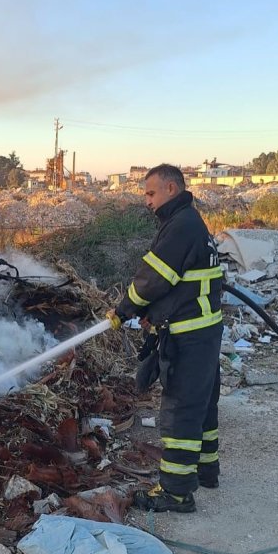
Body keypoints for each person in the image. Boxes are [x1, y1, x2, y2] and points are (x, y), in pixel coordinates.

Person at [108, 164, 223, 513]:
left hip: (189, 335)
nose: (146, 201)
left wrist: (122, 310)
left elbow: (152, 278)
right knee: (202, 406)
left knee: (180, 410)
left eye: (150, 193)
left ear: (171, 189)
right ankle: (206, 470)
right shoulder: (188, 222)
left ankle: (175, 491)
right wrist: (153, 313)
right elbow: (179, 281)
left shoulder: (182, 225)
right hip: (201, 331)